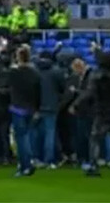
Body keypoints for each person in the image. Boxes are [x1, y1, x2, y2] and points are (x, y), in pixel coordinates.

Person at [71, 51, 110, 177]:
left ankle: (93, 166)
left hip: (102, 110)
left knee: (95, 138)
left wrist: (76, 104)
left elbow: (89, 93)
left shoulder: (97, 76)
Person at [8, 46, 41, 177]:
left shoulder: (14, 72)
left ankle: (25, 165)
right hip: (31, 108)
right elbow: (38, 92)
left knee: (21, 138)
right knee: (28, 136)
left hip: (17, 108)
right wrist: (37, 108)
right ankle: (29, 161)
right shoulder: (35, 73)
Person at [33, 51, 65, 169]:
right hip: (51, 106)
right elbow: (63, 88)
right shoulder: (56, 71)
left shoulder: (35, 71)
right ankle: (49, 160)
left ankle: (37, 158)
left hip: (37, 106)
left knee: (37, 134)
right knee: (49, 134)